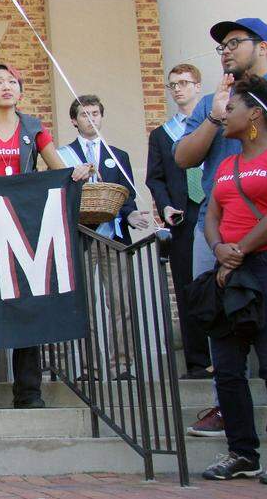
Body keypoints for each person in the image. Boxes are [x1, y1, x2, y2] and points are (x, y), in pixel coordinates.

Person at [0, 64, 91, 410]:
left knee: (27, 309)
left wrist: (74, 174)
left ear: (20, 91)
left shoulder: (34, 127)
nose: (5, 87)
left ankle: (29, 392)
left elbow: (57, 168)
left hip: (26, 230)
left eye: (12, 82)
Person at [175, 18, 267, 438]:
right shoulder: (215, 101)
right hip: (215, 231)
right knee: (224, 335)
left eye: (234, 42)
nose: (226, 51)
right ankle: (230, 419)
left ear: (262, 46)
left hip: (262, 237)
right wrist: (215, 117)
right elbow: (183, 158)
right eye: (221, 47)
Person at [198, 75, 267, 484]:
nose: (225, 113)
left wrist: (238, 249)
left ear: (255, 113)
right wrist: (218, 248)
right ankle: (242, 452)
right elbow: (212, 213)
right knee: (227, 368)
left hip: (263, 265)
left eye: (233, 107)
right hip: (228, 273)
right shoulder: (227, 163)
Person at [57, 95, 152, 379]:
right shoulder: (63, 156)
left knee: (120, 303)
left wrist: (132, 215)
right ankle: (89, 367)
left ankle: (122, 365)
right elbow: (59, 196)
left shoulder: (117, 155)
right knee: (85, 305)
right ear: (74, 120)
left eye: (96, 113)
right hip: (81, 238)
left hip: (113, 237)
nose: (91, 119)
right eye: (85, 115)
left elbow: (127, 195)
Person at [146, 64, 211, 379]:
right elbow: (155, 178)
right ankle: (198, 361)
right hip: (183, 216)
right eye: (173, 85)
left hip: (214, 209)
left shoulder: (216, 124)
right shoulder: (162, 134)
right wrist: (165, 205)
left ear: (198, 86)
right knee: (188, 288)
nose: (178, 89)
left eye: (184, 83)